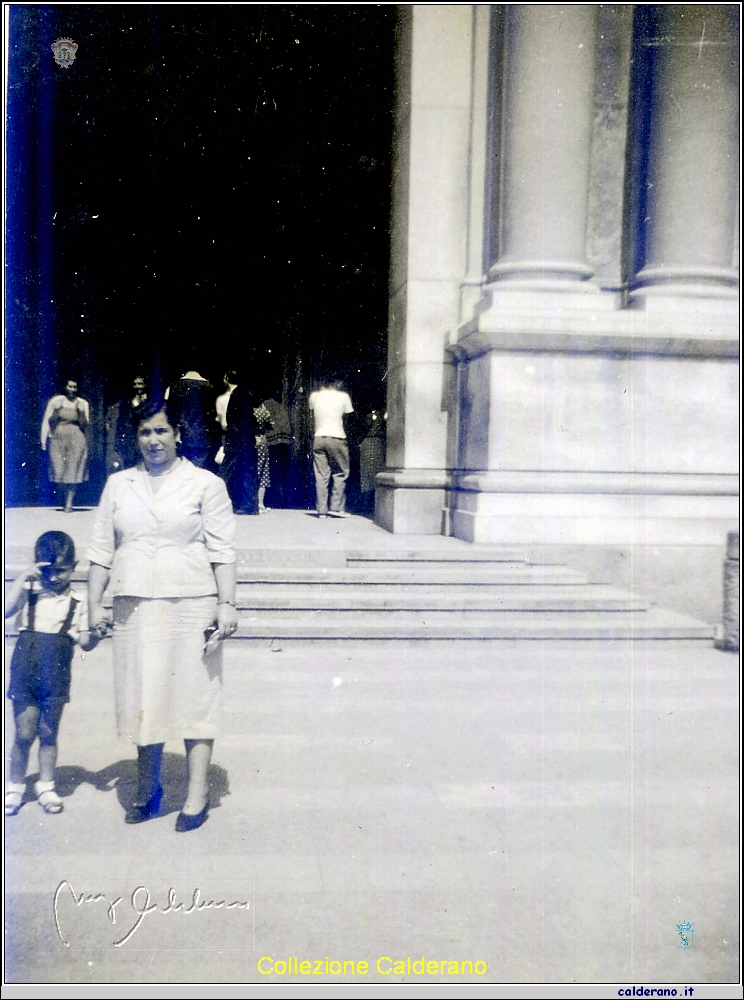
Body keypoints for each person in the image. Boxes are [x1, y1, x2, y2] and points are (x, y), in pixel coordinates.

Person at [86, 400, 237, 832]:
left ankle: (196, 795)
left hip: (192, 602)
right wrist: (94, 603)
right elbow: (101, 551)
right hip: (134, 605)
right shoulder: (118, 484)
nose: (153, 440)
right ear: (136, 439)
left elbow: (223, 551)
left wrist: (226, 603)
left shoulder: (205, 484)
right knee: (143, 698)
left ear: (178, 435)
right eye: (145, 433)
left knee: (196, 696)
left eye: (161, 432)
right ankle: (148, 788)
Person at [5, 531, 100, 816]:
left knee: (48, 733)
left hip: (56, 676)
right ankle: (14, 787)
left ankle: (46, 786)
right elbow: (6, 610)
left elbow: (85, 642)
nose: (56, 577)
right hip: (25, 670)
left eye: (62, 570)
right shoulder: (30, 593)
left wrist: (98, 634)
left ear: (74, 566)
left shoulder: (78, 601)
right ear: (37, 566)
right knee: (24, 733)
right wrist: (23, 578)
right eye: (48, 570)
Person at [40, 379, 90, 512]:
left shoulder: (83, 403)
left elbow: (85, 425)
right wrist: (43, 439)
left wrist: (80, 412)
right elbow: (47, 420)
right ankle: (63, 499)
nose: (72, 389)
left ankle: (69, 502)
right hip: (58, 437)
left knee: (73, 469)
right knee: (59, 468)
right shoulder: (56, 401)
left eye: (75, 387)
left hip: (76, 438)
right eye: (70, 386)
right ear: (65, 387)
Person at [308, 377, 354, 518]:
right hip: (337, 436)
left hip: (319, 437)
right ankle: (335, 507)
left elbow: (311, 413)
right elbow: (349, 418)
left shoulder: (314, 396)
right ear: (338, 382)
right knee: (340, 472)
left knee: (321, 475)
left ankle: (321, 510)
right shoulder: (343, 396)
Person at [218, 373, 260, 515]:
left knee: (227, 470)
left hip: (236, 438)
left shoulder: (235, 395)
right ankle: (250, 505)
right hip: (247, 439)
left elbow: (231, 418)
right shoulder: (247, 392)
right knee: (249, 472)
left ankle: (219, 502)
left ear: (227, 379)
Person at [165, 367, 218, 469]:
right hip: (202, 436)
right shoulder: (209, 387)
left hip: (180, 435)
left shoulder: (175, 386)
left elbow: (170, 413)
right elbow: (212, 415)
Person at [105, 375, 148, 474]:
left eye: (140, 384)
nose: (138, 387)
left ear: (145, 385)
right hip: (130, 439)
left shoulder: (149, 402)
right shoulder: (127, 403)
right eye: (135, 384)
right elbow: (123, 421)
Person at [254, 401, 274, 513]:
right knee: (263, 472)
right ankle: (260, 503)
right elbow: (270, 424)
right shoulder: (263, 409)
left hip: (250, 440)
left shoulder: (248, 409)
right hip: (261, 440)